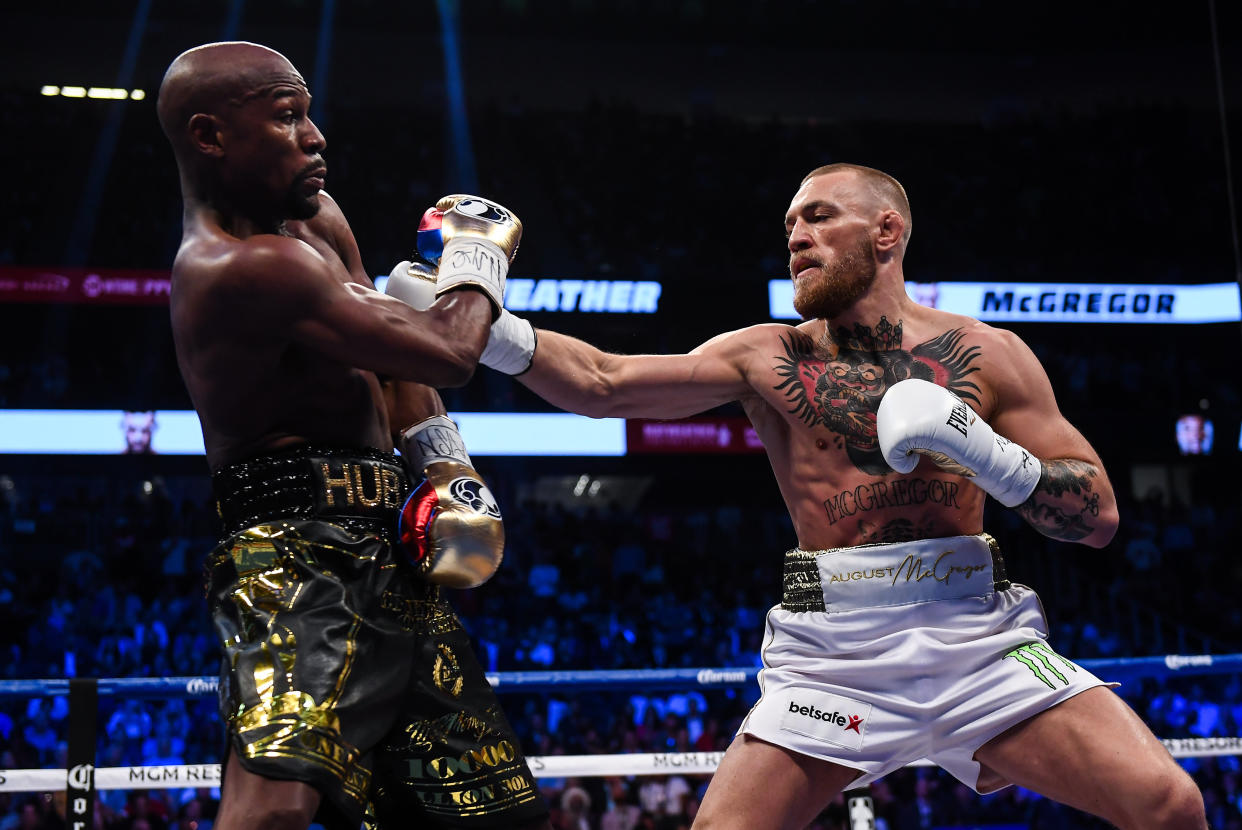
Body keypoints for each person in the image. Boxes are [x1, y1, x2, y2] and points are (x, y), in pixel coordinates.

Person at [474, 163, 1206, 828]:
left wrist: (980, 450)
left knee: (1169, 805)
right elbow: (604, 382)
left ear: (887, 230)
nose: (796, 237)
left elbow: (1099, 517)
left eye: (819, 217)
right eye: (790, 225)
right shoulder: (768, 354)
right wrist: (485, 324)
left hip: (979, 641)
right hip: (834, 656)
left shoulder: (990, 353)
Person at [158, 41, 549, 830]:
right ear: (209, 136)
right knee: (274, 804)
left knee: (486, 813)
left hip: (388, 545)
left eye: (308, 112)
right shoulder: (238, 266)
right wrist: (474, 258)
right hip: (293, 554)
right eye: (286, 117)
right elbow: (447, 349)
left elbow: (395, 363)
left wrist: (446, 469)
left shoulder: (317, 220)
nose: (315, 135)